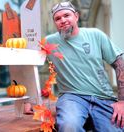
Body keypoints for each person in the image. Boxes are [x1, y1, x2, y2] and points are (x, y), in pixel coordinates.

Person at [25, 1, 124, 132]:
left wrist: (122, 102)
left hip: (103, 97)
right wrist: (29, 99)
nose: (63, 20)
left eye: (67, 15)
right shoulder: (49, 42)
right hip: (71, 97)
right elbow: (28, 63)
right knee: (69, 126)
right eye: (58, 18)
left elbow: (120, 64)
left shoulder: (96, 35)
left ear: (76, 16)